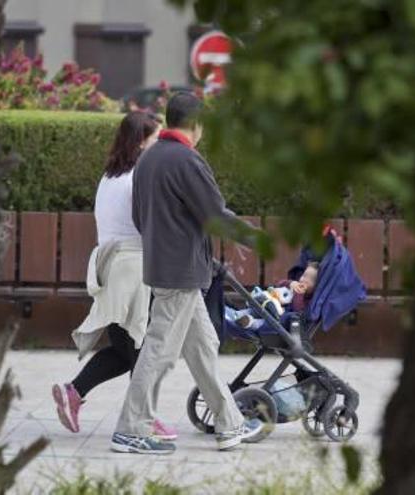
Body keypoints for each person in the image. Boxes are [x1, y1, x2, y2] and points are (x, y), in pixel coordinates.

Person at [110, 92, 264, 455]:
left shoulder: (147, 159)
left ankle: (229, 423)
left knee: (203, 346)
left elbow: (139, 217)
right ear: (198, 125)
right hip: (180, 272)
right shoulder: (187, 160)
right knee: (160, 351)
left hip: (168, 267)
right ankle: (131, 429)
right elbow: (215, 214)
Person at [51, 111, 177, 441]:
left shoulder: (110, 176)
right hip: (131, 269)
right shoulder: (139, 178)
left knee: (125, 349)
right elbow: (150, 226)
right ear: (140, 142)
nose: (160, 146)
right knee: (143, 348)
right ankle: (143, 420)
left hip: (109, 266)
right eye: (155, 139)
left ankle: (74, 392)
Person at [226, 262, 320, 330]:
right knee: (254, 309)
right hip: (268, 305)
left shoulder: (309, 301)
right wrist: (290, 283)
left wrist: (299, 294)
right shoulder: (294, 285)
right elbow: (279, 285)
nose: (304, 280)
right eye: (304, 275)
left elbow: (297, 309)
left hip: (278, 319)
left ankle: (250, 323)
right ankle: (235, 315)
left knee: (268, 322)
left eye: (311, 279)